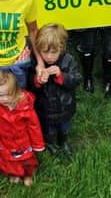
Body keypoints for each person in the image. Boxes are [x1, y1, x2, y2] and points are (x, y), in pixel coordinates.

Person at [0, 71, 45, 187]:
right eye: (0, 95)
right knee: (8, 159)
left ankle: (27, 174)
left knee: (26, 159)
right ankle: (13, 173)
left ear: (16, 90)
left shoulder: (25, 106)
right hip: (3, 139)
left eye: (9, 94)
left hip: (22, 140)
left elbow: (34, 126)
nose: (5, 99)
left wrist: (37, 144)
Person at [29, 23, 80, 155]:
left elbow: (76, 79)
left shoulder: (68, 60)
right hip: (45, 109)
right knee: (49, 129)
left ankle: (64, 142)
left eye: (54, 52)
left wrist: (61, 75)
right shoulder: (36, 63)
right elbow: (29, 86)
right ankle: (50, 143)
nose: (49, 56)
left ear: (61, 48)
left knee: (64, 127)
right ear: (38, 49)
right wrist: (38, 81)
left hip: (65, 106)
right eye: (45, 52)